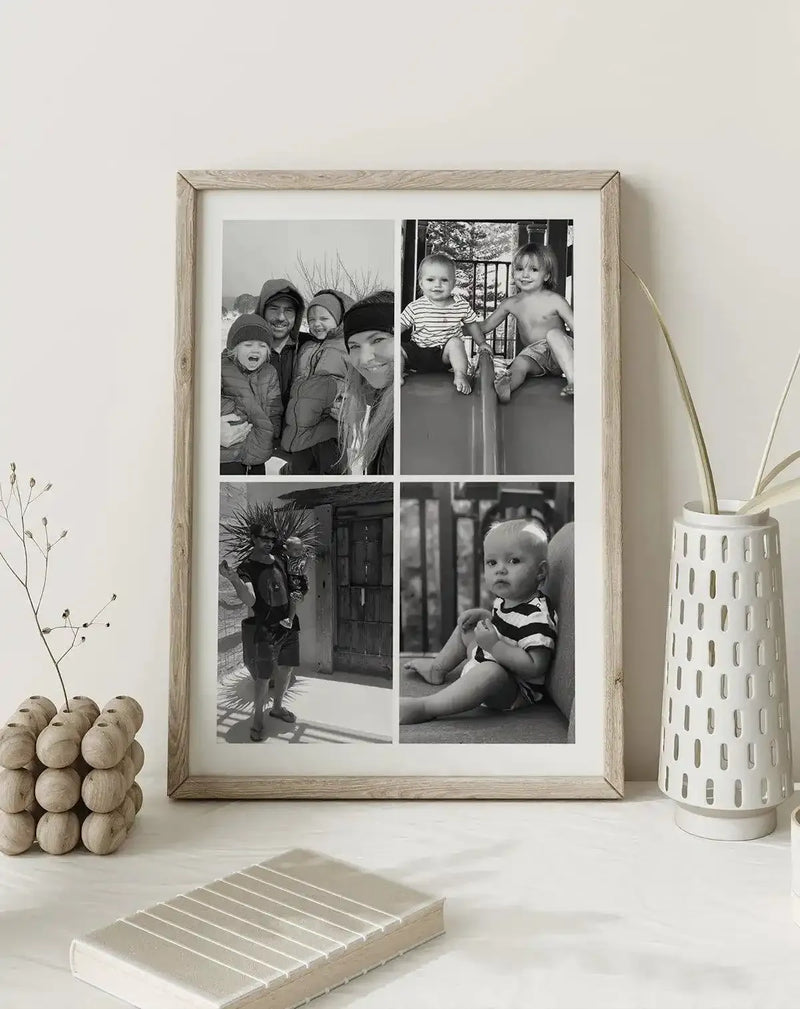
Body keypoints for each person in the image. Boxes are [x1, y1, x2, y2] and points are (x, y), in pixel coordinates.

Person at [400, 519, 558, 724]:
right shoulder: (507, 599)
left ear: (540, 572)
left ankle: (427, 707)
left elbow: (535, 667)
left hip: (512, 689)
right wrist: (485, 617)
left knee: (491, 673)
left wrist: (494, 645)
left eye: (513, 561)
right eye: (492, 562)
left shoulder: (537, 616)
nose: (500, 570)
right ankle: (437, 669)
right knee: (467, 628)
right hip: (488, 657)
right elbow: (507, 629)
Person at [219, 524, 307, 740]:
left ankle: (277, 708)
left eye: (272, 538)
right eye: (264, 538)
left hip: (289, 623)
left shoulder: (280, 559)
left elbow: (294, 585)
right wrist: (233, 579)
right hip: (266, 627)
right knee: (263, 677)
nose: (269, 542)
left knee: (286, 669)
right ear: (253, 538)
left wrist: (300, 595)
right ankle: (257, 719)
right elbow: (250, 599)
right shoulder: (247, 567)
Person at [479, 243, 574, 402]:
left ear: (546, 276)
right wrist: (457, 327)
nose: (525, 274)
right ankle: (506, 388)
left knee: (554, 334)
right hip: (537, 356)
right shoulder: (511, 303)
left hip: (561, 352)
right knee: (520, 362)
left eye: (534, 270)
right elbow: (486, 326)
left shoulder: (555, 301)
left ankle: (574, 380)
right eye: (520, 269)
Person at [281, 289, 354, 475]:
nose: (316, 324)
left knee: (332, 471)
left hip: (330, 428)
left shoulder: (347, 347)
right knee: (301, 469)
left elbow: (358, 386)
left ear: (338, 319)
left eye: (324, 318)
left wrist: (351, 404)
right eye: (311, 319)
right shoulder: (306, 347)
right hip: (301, 429)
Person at [400, 253, 491, 394]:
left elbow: (472, 325)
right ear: (421, 283)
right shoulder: (415, 306)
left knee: (456, 343)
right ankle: (397, 375)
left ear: (453, 284)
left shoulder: (460, 305)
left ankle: (460, 374)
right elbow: (400, 325)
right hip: (417, 352)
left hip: (444, 356)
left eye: (444, 280)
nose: (437, 285)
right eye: (430, 279)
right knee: (398, 349)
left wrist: (482, 343)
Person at [337, 291, 395, 475]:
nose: (364, 358)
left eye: (378, 340)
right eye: (354, 346)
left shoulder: (408, 414)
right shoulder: (381, 400)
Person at [219, 314, 282, 475]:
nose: (255, 350)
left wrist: (272, 434)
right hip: (227, 454)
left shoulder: (269, 373)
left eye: (262, 346)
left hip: (258, 453)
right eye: (248, 344)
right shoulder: (221, 368)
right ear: (234, 348)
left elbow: (274, 407)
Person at [256, 279, 306, 410]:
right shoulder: (244, 350)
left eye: (288, 310)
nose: (281, 317)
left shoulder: (310, 348)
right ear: (262, 311)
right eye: (274, 309)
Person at [279, 536, 308, 629]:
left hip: (299, 585)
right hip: (293, 584)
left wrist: (309, 561)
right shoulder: (289, 558)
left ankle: (290, 621)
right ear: (287, 549)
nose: (298, 551)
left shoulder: (300, 560)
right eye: (295, 549)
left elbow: (303, 571)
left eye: (300, 549)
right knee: (291, 600)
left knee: (293, 600)